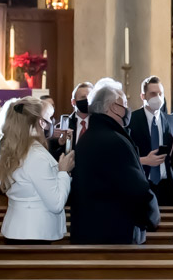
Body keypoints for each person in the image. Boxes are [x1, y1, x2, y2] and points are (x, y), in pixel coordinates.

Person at [68, 79, 160, 244]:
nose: (127, 109)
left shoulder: (86, 138)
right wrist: (152, 216)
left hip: (90, 232)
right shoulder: (114, 140)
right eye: (124, 103)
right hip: (115, 235)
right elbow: (135, 187)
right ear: (113, 107)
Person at [0, 96, 74, 243]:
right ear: (41, 122)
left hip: (21, 230)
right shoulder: (35, 155)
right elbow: (56, 203)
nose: (52, 123)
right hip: (34, 233)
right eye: (49, 118)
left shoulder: (17, 148)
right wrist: (64, 171)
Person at [128, 75, 173, 207]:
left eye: (160, 94)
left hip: (167, 186)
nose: (158, 97)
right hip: (141, 184)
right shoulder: (130, 120)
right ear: (143, 96)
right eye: (153, 94)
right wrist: (144, 160)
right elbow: (124, 155)